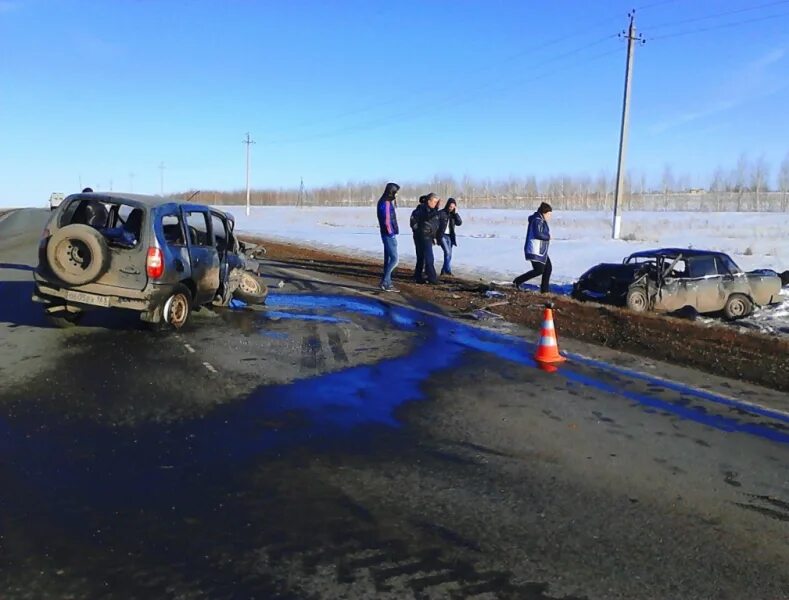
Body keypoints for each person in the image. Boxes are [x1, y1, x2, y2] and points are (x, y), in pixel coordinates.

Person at [513, 202, 553, 293]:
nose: (550, 216)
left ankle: (544, 291)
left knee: (548, 268)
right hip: (534, 250)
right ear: (544, 213)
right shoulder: (537, 220)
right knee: (539, 270)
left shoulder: (540, 220)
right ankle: (517, 281)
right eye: (549, 214)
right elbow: (537, 233)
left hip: (540, 251)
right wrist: (548, 237)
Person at [412, 193, 441, 284]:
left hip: (429, 236)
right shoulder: (421, 210)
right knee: (428, 258)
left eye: (437, 202)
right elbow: (415, 223)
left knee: (422, 257)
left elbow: (435, 224)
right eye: (434, 202)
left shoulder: (433, 211)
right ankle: (432, 277)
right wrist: (420, 233)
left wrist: (434, 236)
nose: (436, 204)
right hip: (423, 236)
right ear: (429, 201)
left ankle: (418, 276)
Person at [376, 182, 400, 291]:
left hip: (387, 233)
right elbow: (386, 220)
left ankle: (388, 282)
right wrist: (391, 234)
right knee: (395, 259)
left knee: (388, 259)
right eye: (396, 192)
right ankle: (385, 281)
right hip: (388, 234)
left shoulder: (387, 201)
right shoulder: (385, 202)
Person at [437, 197, 462, 276]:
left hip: (450, 236)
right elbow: (435, 224)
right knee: (447, 252)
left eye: (453, 207)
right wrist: (435, 236)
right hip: (442, 235)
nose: (451, 208)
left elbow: (459, 223)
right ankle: (447, 270)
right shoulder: (441, 213)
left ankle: (444, 270)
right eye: (450, 206)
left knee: (449, 254)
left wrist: (456, 213)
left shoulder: (453, 215)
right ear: (447, 205)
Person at [410, 195, 428, 282]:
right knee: (422, 255)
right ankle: (419, 274)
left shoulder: (417, 211)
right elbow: (413, 224)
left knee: (422, 255)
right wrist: (421, 232)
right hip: (420, 236)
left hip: (421, 236)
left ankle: (420, 273)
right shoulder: (418, 212)